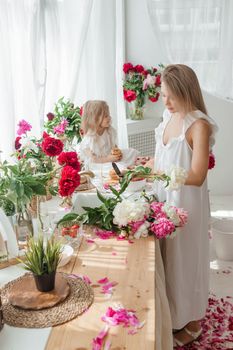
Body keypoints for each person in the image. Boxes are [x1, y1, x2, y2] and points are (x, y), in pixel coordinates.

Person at [153, 64, 218, 347]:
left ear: (185, 92)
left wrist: (161, 174)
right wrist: (150, 168)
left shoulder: (198, 125)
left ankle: (191, 321)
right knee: (168, 260)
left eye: (170, 96)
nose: (165, 102)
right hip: (164, 201)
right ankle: (174, 314)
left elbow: (197, 174)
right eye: (163, 95)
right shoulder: (168, 118)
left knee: (186, 261)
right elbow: (164, 158)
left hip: (186, 205)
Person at [79, 100, 139, 169]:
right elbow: (93, 159)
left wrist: (117, 153)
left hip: (110, 158)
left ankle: (122, 165)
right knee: (116, 167)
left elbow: (113, 146)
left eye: (108, 115)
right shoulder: (89, 138)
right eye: (105, 116)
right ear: (94, 119)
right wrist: (108, 159)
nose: (109, 118)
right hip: (98, 163)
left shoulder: (109, 131)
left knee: (131, 152)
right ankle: (121, 167)